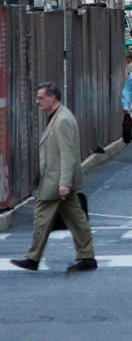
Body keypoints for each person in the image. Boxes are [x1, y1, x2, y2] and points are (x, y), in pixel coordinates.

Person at [10, 82, 97, 272]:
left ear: (53, 97)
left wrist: (64, 183)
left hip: (56, 181)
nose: (37, 101)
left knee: (42, 218)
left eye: (41, 97)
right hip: (57, 180)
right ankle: (87, 256)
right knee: (77, 220)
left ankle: (33, 258)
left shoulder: (62, 120)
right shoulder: (58, 117)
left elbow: (68, 154)